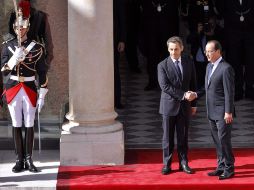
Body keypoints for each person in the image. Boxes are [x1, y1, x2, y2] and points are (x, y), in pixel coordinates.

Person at [1, 3, 48, 173]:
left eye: (22, 27)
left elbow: (42, 73)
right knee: (16, 123)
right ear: (13, 28)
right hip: (13, 88)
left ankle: (29, 160)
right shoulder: (7, 46)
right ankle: (18, 160)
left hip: (29, 87)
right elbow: (3, 68)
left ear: (27, 28)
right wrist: (14, 60)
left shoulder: (37, 48)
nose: (19, 30)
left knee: (29, 124)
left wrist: (42, 94)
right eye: (17, 27)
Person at [157, 36, 197, 175]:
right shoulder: (162, 65)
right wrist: (183, 95)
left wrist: (194, 104)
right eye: (171, 49)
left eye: (176, 49)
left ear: (182, 49)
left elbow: (193, 83)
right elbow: (165, 86)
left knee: (183, 137)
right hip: (168, 107)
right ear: (168, 49)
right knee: (167, 138)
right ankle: (167, 164)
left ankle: (183, 163)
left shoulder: (188, 62)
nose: (174, 52)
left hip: (185, 107)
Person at [204, 40, 235, 180]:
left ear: (218, 51)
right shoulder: (209, 67)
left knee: (224, 140)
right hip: (211, 111)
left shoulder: (226, 68)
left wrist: (228, 111)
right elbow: (208, 89)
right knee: (217, 140)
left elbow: (229, 92)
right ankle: (221, 166)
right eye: (206, 51)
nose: (207, 54)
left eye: (209, 51)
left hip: (223, 112)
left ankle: (229, 168)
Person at [215, 0, 254, 101]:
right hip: (232, 30)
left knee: (251, 59)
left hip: (251, 29)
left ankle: (250, 88)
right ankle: (237, 90)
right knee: (234, 60)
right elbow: (220, 7)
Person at [139, 0, 180, 91]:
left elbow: (175, 19)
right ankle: (152, 81)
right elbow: (143, 19)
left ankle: (167, 82)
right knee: (152, 58)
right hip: (151, 35)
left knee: (168, 59)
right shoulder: (148, 3)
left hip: (168, 35)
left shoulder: (171, 3)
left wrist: (176, 38)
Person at [8, 0, 54, 66]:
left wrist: (45, 64)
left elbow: (48, 42)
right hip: (16, 57)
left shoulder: (40, 16)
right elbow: (11, 35)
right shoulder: (14, 14)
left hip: (34, 55)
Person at [187, 15, 224, 90]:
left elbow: (223, 46)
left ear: (215, 22)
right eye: (207, 24)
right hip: (199, 62)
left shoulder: (219, 31)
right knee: (197, 83)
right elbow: (188, 40)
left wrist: (212, 35)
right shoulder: (199, 31)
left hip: (212, 62)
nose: (209, 26)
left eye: (211, 24)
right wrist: (197, 32)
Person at [113, 0, 126, 109]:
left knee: (114, 70)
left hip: (114, 40)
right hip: (97, 41)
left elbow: (122, 19)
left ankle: (117, 100)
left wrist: (122, 40)